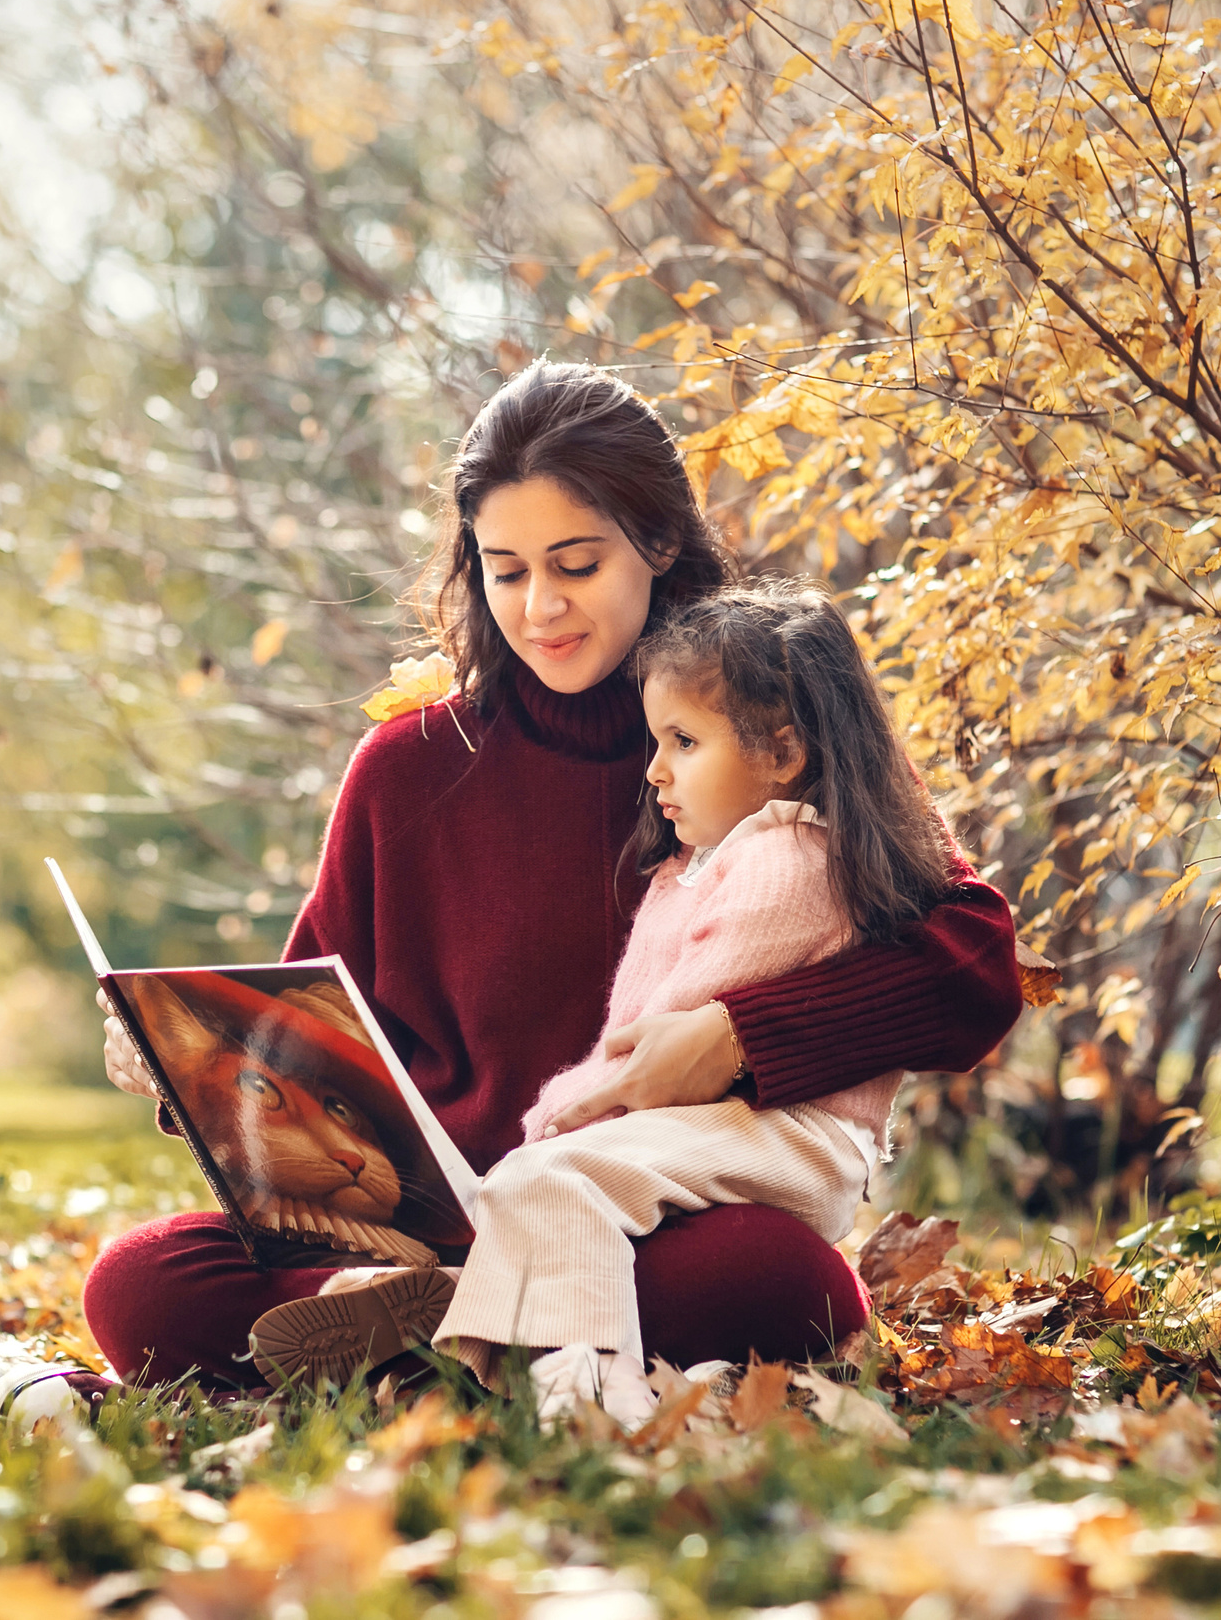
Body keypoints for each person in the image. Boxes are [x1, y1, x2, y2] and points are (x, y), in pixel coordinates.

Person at [84, 361, 1022, 1390]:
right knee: (139, 1283)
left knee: (777, 1284)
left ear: (657, 544)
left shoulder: (758, 730)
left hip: (643, 1222)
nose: (539, 608)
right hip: (428, 1232)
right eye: (505, 569)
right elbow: (312, 1041)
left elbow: (975, 968)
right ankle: (445, 1326)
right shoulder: (404, 772)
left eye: (575, 564)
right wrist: (185, 1062)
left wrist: (736, 1041)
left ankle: (428, 1351)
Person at [404, 580, 960, 1425]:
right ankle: (518, 1351)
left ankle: (596, 1400)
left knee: (544, 1178)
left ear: (783, 752)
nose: (655, 768)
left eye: (683, 740)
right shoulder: (702, 865)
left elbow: (661, 1054)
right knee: (534, 1187)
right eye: (657, 738)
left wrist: (558, 1111)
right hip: (743, 1130)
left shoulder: (786, 863)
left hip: (795, 1134)